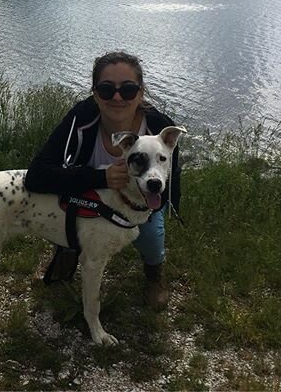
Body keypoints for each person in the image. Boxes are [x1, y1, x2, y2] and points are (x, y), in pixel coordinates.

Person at [25, 51, 181, 309]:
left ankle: (154, 274)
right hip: (86, 195)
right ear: (95, 93)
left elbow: (172, 177)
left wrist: (160, 202)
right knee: (60, 210)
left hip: (141, 199)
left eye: (128, 89)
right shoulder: (80, 119)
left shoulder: (160, 128)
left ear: (141, 93)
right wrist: (101, 177)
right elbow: (37, 175)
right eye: (107, 90)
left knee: (151, 235)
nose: (117, 97)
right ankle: (68, 249)